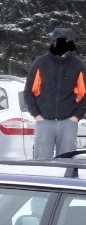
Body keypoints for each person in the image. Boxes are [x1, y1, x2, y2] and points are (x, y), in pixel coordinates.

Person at [24, 26, 86, 159]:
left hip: (68, 123)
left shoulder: (78, 65)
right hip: (44, 122)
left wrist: (76, 116)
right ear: (53, 43)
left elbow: (84, 94)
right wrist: (36, 115)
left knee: (66, 162)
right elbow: (29, 92)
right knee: (41, 162)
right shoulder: (40, 63)